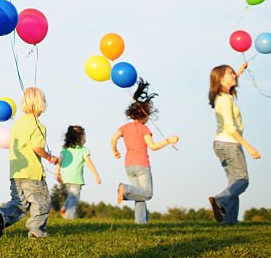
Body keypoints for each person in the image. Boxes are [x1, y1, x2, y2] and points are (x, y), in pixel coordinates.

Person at [0, 87, 59, 238]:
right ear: (41, 104)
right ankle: (36, 232)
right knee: (42, 203)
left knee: (19, 203)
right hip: (32, 173)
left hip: (16, 172)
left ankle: (1, 216)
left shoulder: (18, 124)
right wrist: (49, 157)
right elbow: (37, 148)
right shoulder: (39, 126)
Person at [111, 81, 179, 225]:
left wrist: (115, 150)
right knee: (147, 194)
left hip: (129, 165)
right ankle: (125, 189)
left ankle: (141, 223)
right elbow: (152, 146)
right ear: (144, 115)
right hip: (142, 165)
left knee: (139, 195)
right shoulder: (144, 129)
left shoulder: (124, 127)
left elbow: (113, 137)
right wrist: (169, 140)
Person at [208, 62, 260, 225]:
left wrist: (239, 71)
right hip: (230, 143)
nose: (233, 75)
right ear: (221, 79)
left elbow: (233, 78)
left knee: (233, 184)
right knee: (242, 181)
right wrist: (249, 147)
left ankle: (229, 222)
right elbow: (230, 128)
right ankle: (220, 200)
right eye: (229, 73)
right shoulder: (225, 100)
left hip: (221, 144)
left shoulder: (222, 96)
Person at [56, 125, 101, 219]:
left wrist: (58, 174)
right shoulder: (83, 150)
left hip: (66, 178)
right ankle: (69, 219)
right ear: (81, 137)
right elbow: (89, 163)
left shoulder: (64, 150)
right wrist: (96, 176)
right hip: (76, 178)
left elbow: (58, 162)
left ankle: (64, 207)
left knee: (72, 195)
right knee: (74, 199)